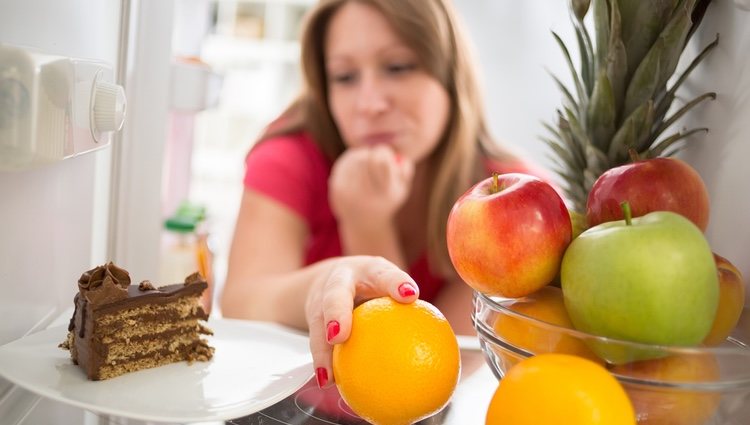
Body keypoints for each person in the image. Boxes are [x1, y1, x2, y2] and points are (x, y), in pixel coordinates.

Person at [220, 0, 547, 389]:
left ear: (449, 73)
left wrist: (367, 224)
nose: (369, 104)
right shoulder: (290, 155)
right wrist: (323, 286)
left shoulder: (510, 201)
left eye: (397, 67)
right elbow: (241, 304)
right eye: (344, 77)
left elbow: (420, 377)